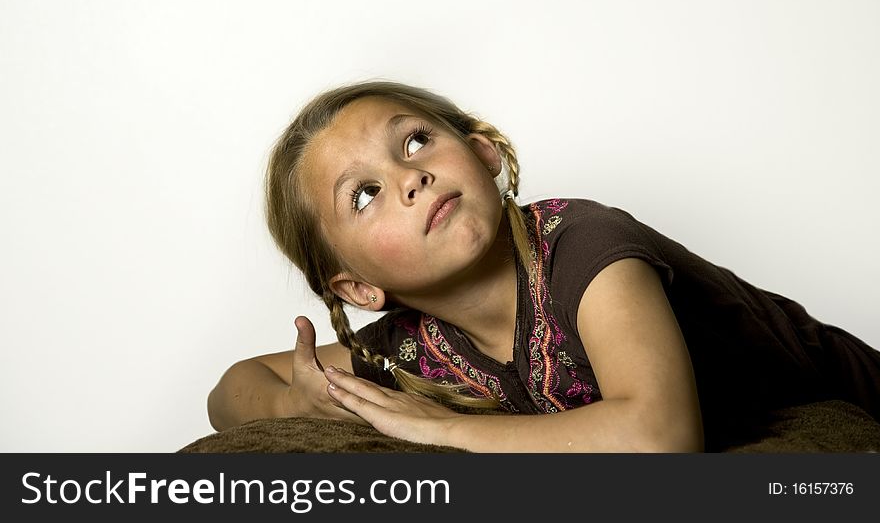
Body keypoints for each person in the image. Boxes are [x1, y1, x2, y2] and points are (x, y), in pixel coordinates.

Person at [207, 79, 880, 452]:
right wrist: (295, 397)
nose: (410, 176)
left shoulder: (581, 246)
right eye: (365, 193)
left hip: (850, 398)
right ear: (358, 285)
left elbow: (660, 436)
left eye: (416, 140)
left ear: (483, 152)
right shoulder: (417, 345)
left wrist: (445, 428)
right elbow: (230, 390)